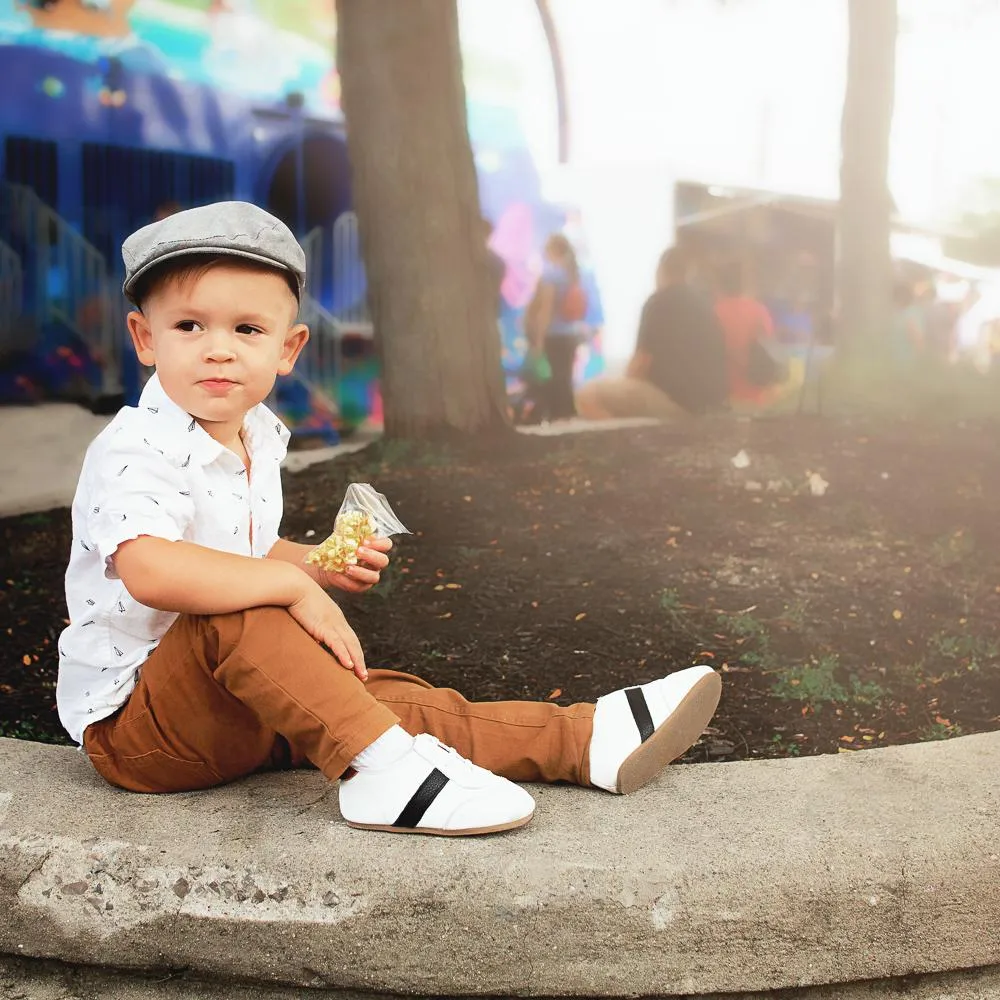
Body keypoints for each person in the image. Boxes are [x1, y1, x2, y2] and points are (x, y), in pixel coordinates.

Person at [56, 201, 723, 837]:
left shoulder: (255, 435)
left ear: (287, 351)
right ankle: (383, 773)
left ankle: (583, 740)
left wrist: (315, 562)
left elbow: (245, 551)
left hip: (233, 710)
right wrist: (292, 589)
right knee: (239, 613)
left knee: (380, 698)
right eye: (189, 326)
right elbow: (152, 568)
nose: (219, 349)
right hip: (143, 733)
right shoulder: (136, 446)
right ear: (145, 338)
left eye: (247, 330)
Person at [575, 247, 727, 421]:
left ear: (661, 271)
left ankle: (621, 444)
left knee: (588, 395)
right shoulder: (705, 306)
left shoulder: (658, 303)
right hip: (707, 404)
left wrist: (625, 384)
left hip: (674, 402)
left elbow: (640, 363)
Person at [522, 232, 588, 422]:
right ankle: (567, 414)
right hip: (570, 334)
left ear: (553, 250)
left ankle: (555, 415)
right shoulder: (571, 273)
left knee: (551, 378)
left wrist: (539, 340)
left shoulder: (551, 274)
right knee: (564, 377)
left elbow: (546, 309)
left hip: (553, 335)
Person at [713, 261, 780, 406]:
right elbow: (771, 355)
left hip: (722, 399)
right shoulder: (759, 311)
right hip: (757, 399)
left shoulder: (713, 313)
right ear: (745, 284)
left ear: (719, 285)